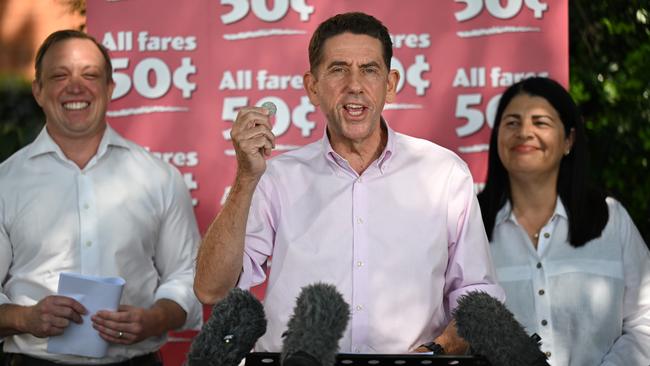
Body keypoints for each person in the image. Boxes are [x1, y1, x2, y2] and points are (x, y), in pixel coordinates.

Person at [194, 12, 504, 354]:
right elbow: (212, 290)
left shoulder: (444, 173)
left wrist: (436, 352)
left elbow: (478, 296)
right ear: (313, 87)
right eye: (338, 69)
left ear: (390, 84)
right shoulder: (277, 178)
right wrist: (245, 179)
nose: (354, 84)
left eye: (369, 70)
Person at [0, 30, 202, 365]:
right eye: (59, 75)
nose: (75, 86)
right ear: (38, 90)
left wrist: (155, 319)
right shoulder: (6, 182)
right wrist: (25, 319)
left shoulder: (158, 177)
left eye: (90, 75)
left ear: (110, 88)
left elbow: (186, 276)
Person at [478, 77, 650, 365]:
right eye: (512, 123)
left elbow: (645, 318)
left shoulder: (610, 220)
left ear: (568, 140)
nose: (524, 132)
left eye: (540, 122)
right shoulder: (471, 224)